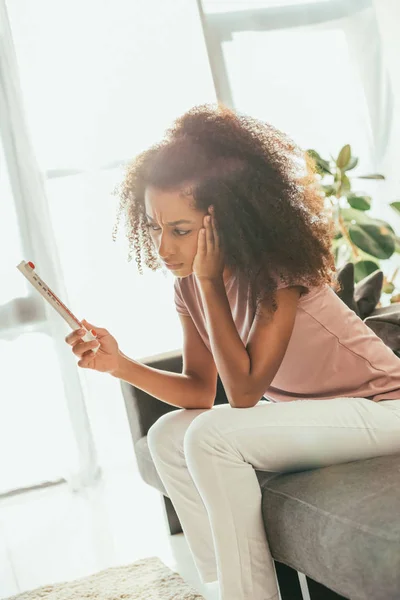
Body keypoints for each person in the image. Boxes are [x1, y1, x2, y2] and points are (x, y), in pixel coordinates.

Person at [65, 104, 400, 600]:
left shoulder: (279, 272)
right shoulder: (189, 290)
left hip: (385, 410)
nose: (163, 247)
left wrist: (208, 284)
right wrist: (120, 365)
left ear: (228, 223)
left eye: (180, 230)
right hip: (321, 415)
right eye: (156, 227)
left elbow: (242, 394)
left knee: (212, 436)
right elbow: (200, 393)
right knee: (169, 434)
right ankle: (225, 586)